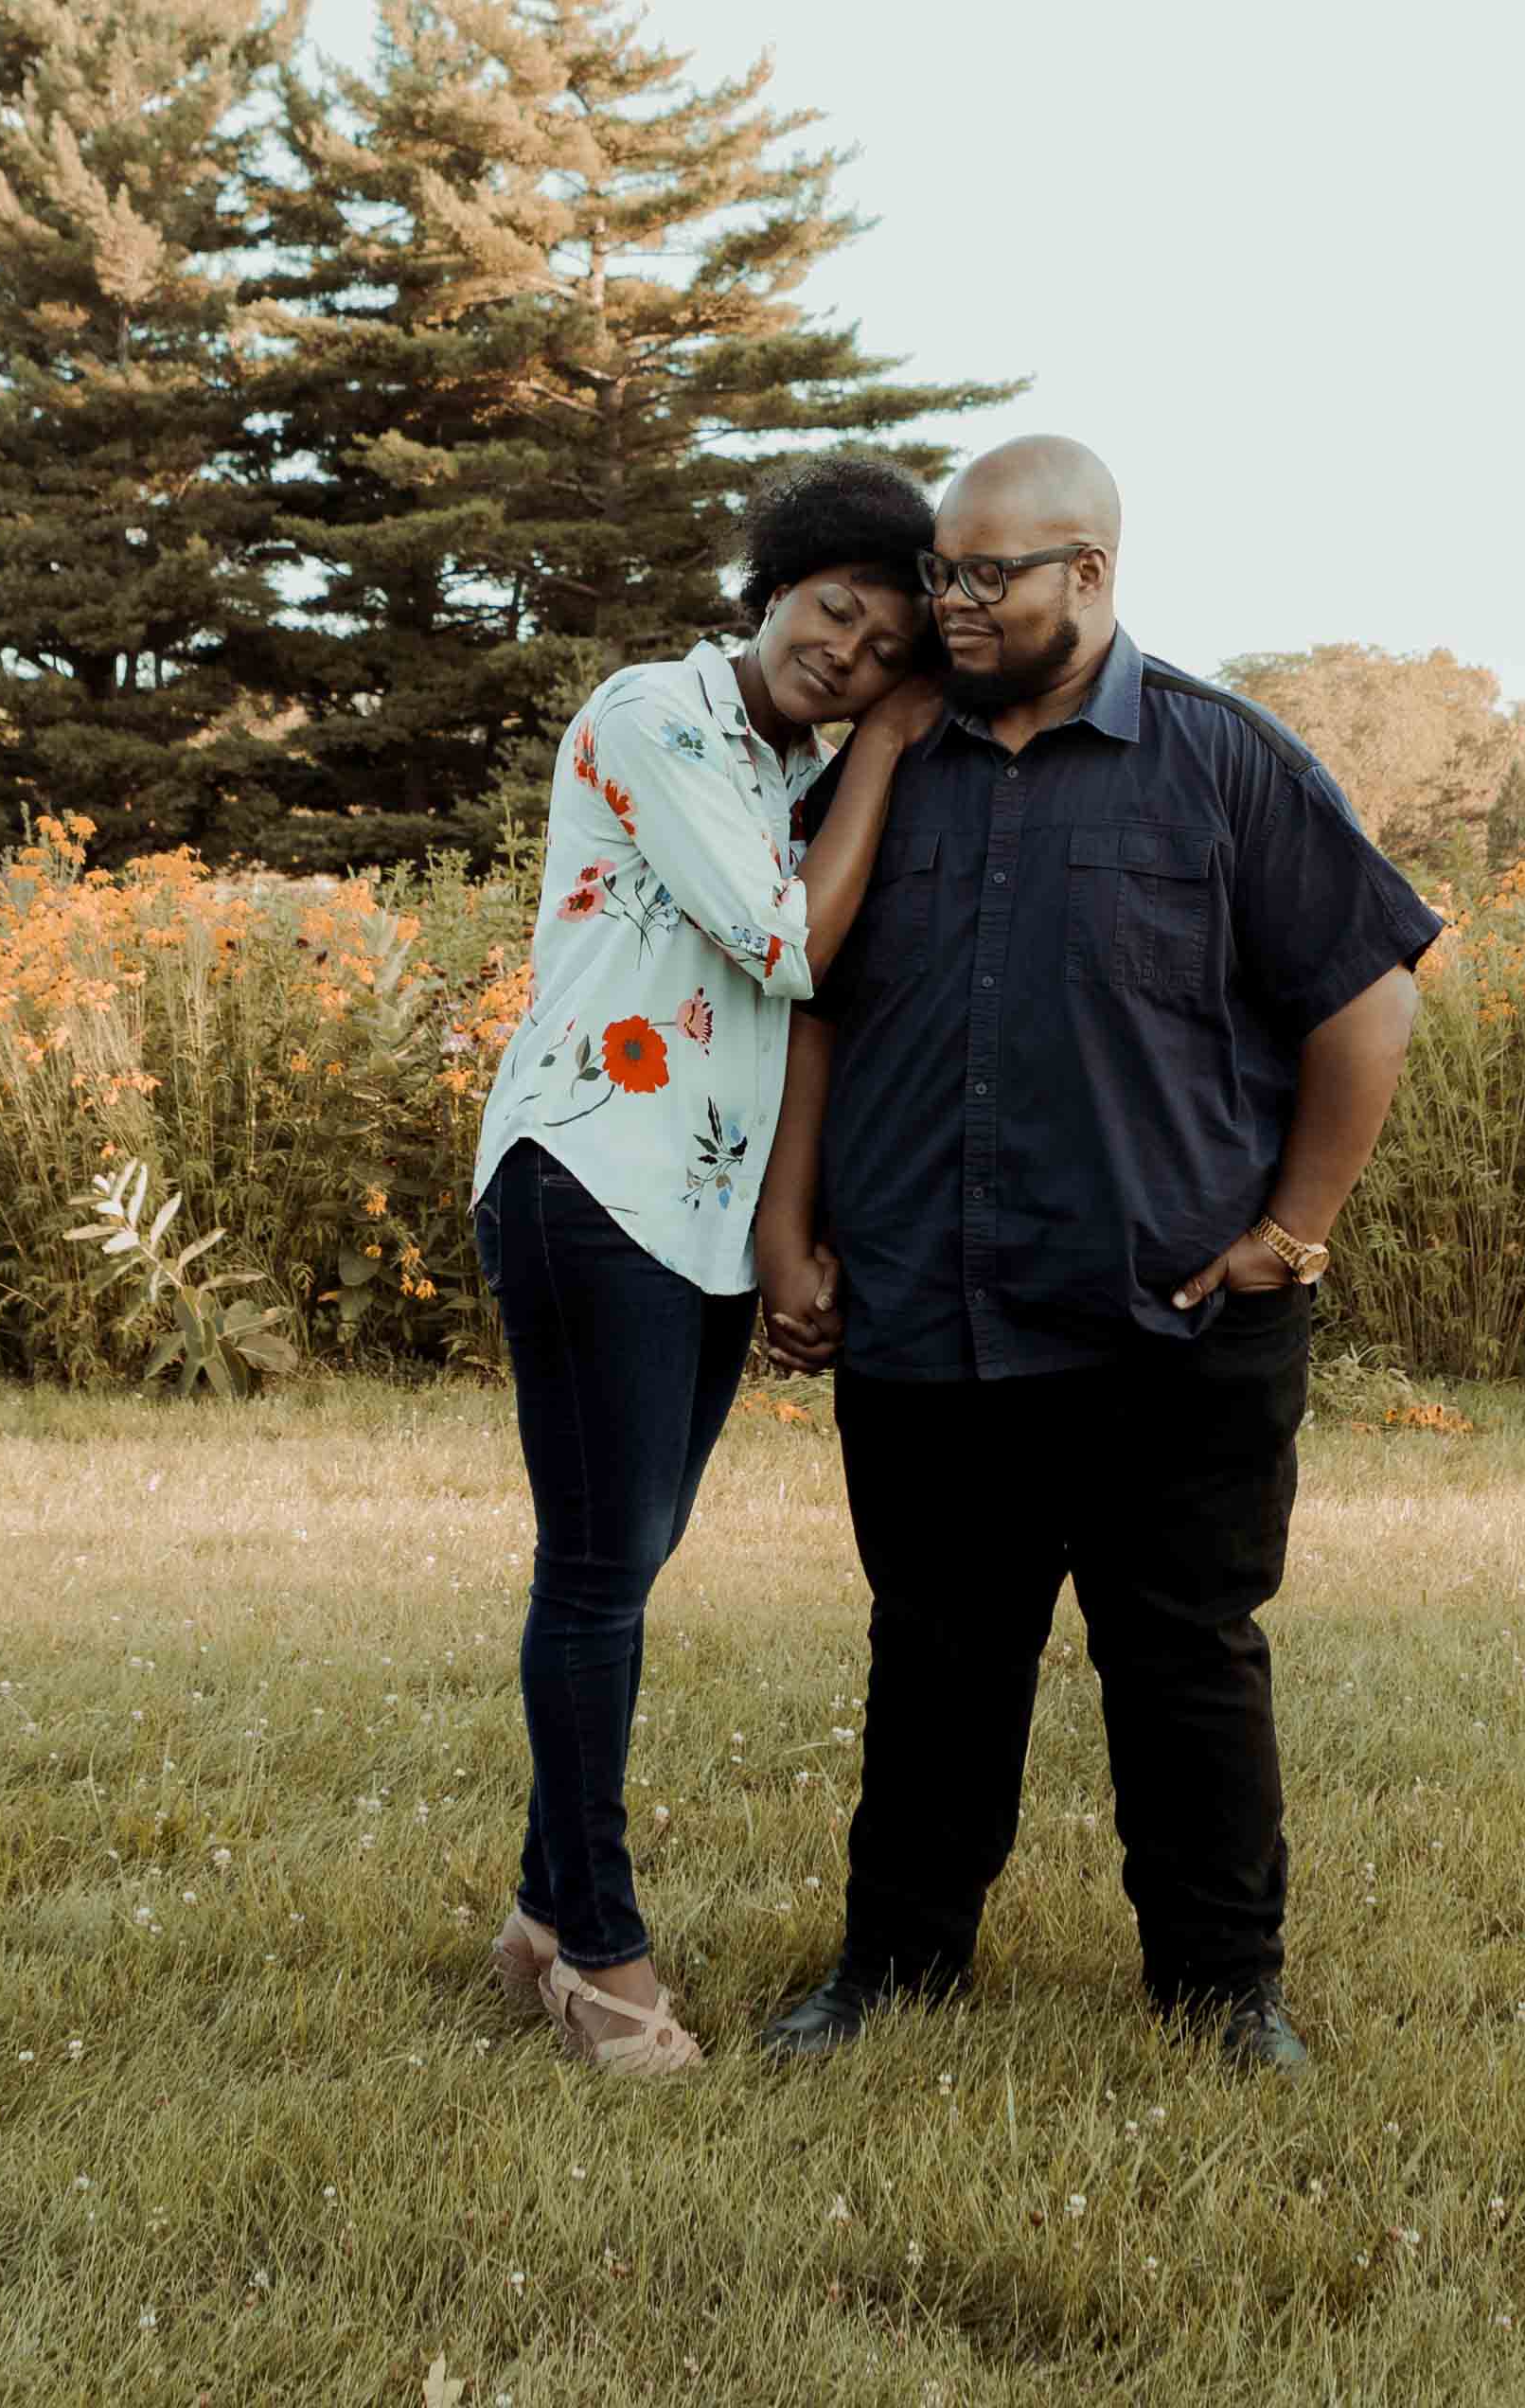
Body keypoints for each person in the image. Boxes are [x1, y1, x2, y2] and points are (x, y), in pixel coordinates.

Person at [748, 434, 1438, 2072]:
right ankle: (894, 1970)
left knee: (1186, 1664)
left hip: (1175, 1333)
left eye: (987, 577)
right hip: (927, 1304)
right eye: (941, 575)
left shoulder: (1223, 760)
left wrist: (1294, 1235)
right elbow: (812, 1011)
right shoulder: (877, 768)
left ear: (1091, 574)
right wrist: (790, 1229)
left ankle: (1220, 1990)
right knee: (932, 1662)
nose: (952, 606)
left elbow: (1369, 996)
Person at [468, 455, 950, 2077]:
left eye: (890, 649)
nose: (853, 656)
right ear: (779, 583)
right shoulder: (654, 714)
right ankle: (601, 1956)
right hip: (588, 1174)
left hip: (698, 1215)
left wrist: (783, 1231)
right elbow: (788, 942)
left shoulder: (796, 773)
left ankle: (542, 1908)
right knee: (599, 1574)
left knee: (627, 1560)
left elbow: (808, 1005)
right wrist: (887, 743)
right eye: (837, 613)